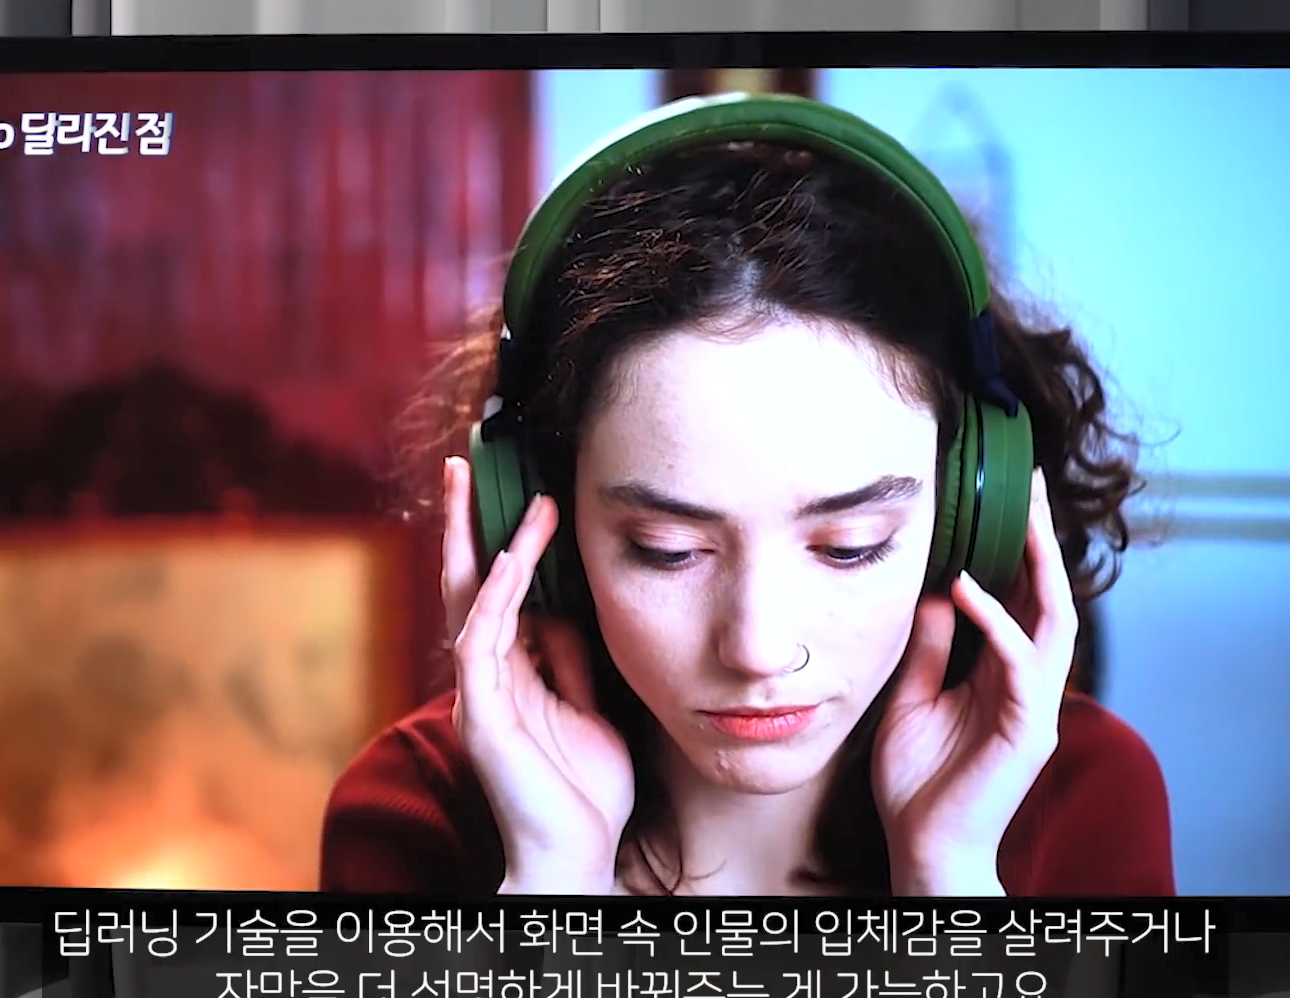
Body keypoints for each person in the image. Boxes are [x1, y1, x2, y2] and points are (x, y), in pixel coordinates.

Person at [320, 94, 1173, 898]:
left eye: (851, 546)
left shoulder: (1085, 799)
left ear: (969, 518)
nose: (759, 650)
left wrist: (948, 882)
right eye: (668, 550)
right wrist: (551, 879)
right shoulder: (411, 811)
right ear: (542, 523)